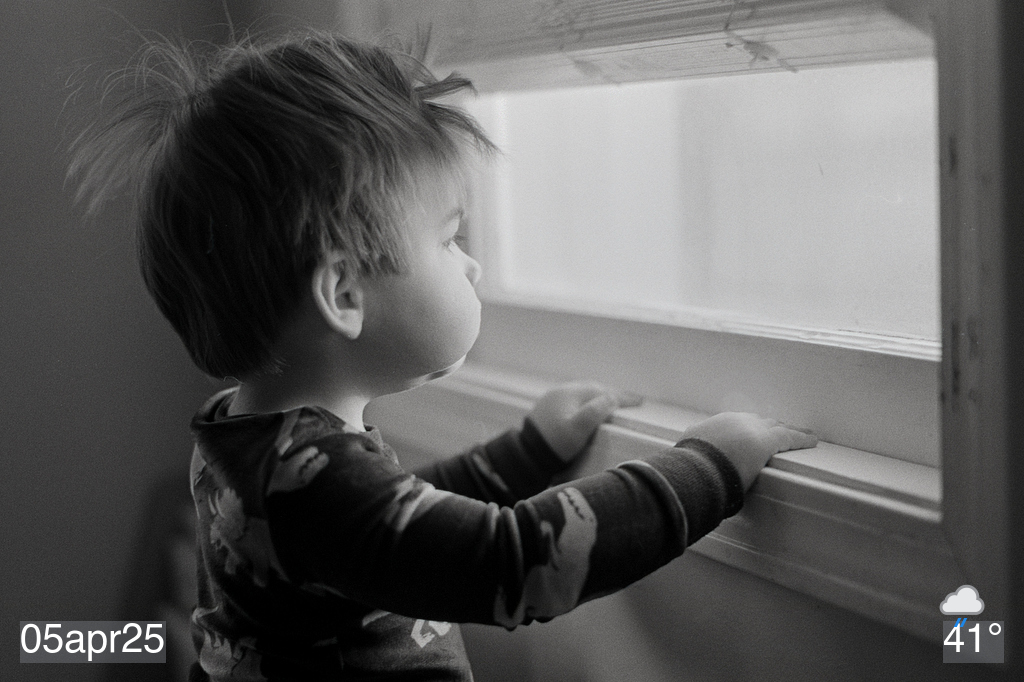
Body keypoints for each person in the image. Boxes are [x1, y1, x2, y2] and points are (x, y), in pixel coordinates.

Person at [70, 32, 817, 681]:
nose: (471, 266)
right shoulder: (306, 478)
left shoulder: (247, 441)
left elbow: (396, 523)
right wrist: (712, 466)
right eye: (449, 238)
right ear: (344, 294)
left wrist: (530, 449)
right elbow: (509, 561)